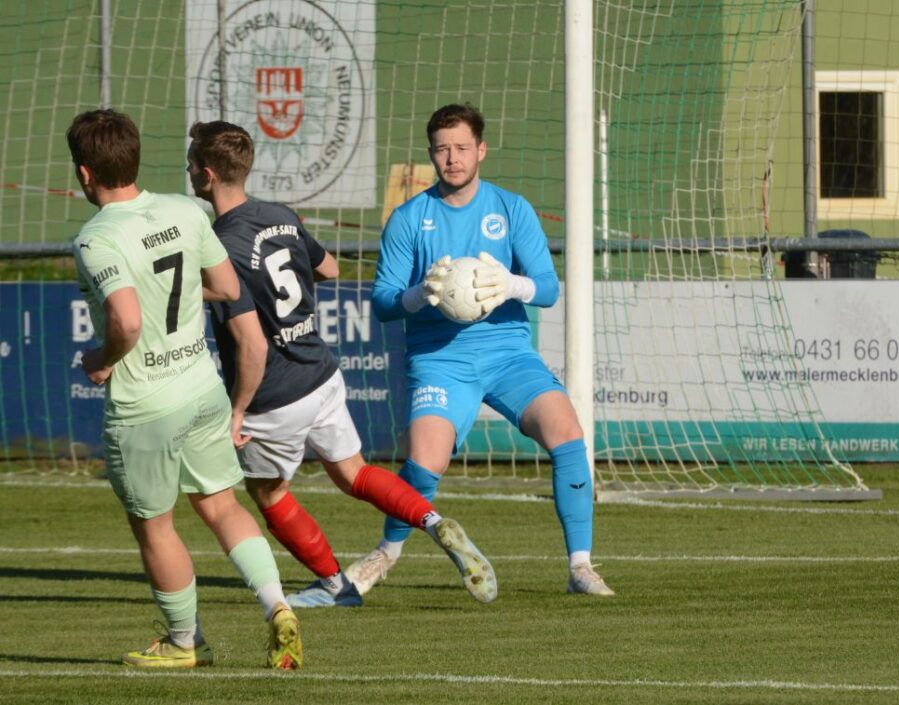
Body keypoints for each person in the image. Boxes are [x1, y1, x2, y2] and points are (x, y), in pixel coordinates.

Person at [186, 120, 497, 607]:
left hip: (273, 394)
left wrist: (237, 411)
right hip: (321, 372)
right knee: (354, 473)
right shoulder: (280, 215)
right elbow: (328, 268)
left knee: (268, 495)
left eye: (189, 165)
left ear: (205, 176)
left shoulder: (218, 244)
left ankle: (336, 585)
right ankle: (433, 521)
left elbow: (252, 347)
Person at [67, 109, 303, 670]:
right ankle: (277, 607)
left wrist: (100, 360)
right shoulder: (182, 209)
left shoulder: (96, 238)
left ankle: (183, 641)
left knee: (156, 528)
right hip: (201, 386)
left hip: (145, 405)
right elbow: (224, 285)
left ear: (84, 173)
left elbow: (125, 321)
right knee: (222, 506)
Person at [353, 102, 614, 597]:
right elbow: (384, 302)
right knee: (424, 461)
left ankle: (581, 567)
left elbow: (548, 288)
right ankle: (386, 554)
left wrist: (510, 285)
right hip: (440, 358)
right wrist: (417, 295)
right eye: (442, 149)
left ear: (481, 151)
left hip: (508, 352)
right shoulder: (410, 218)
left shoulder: (511, 208)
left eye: (461, 148)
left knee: (567, 432)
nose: (452, 158)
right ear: (431, 154)